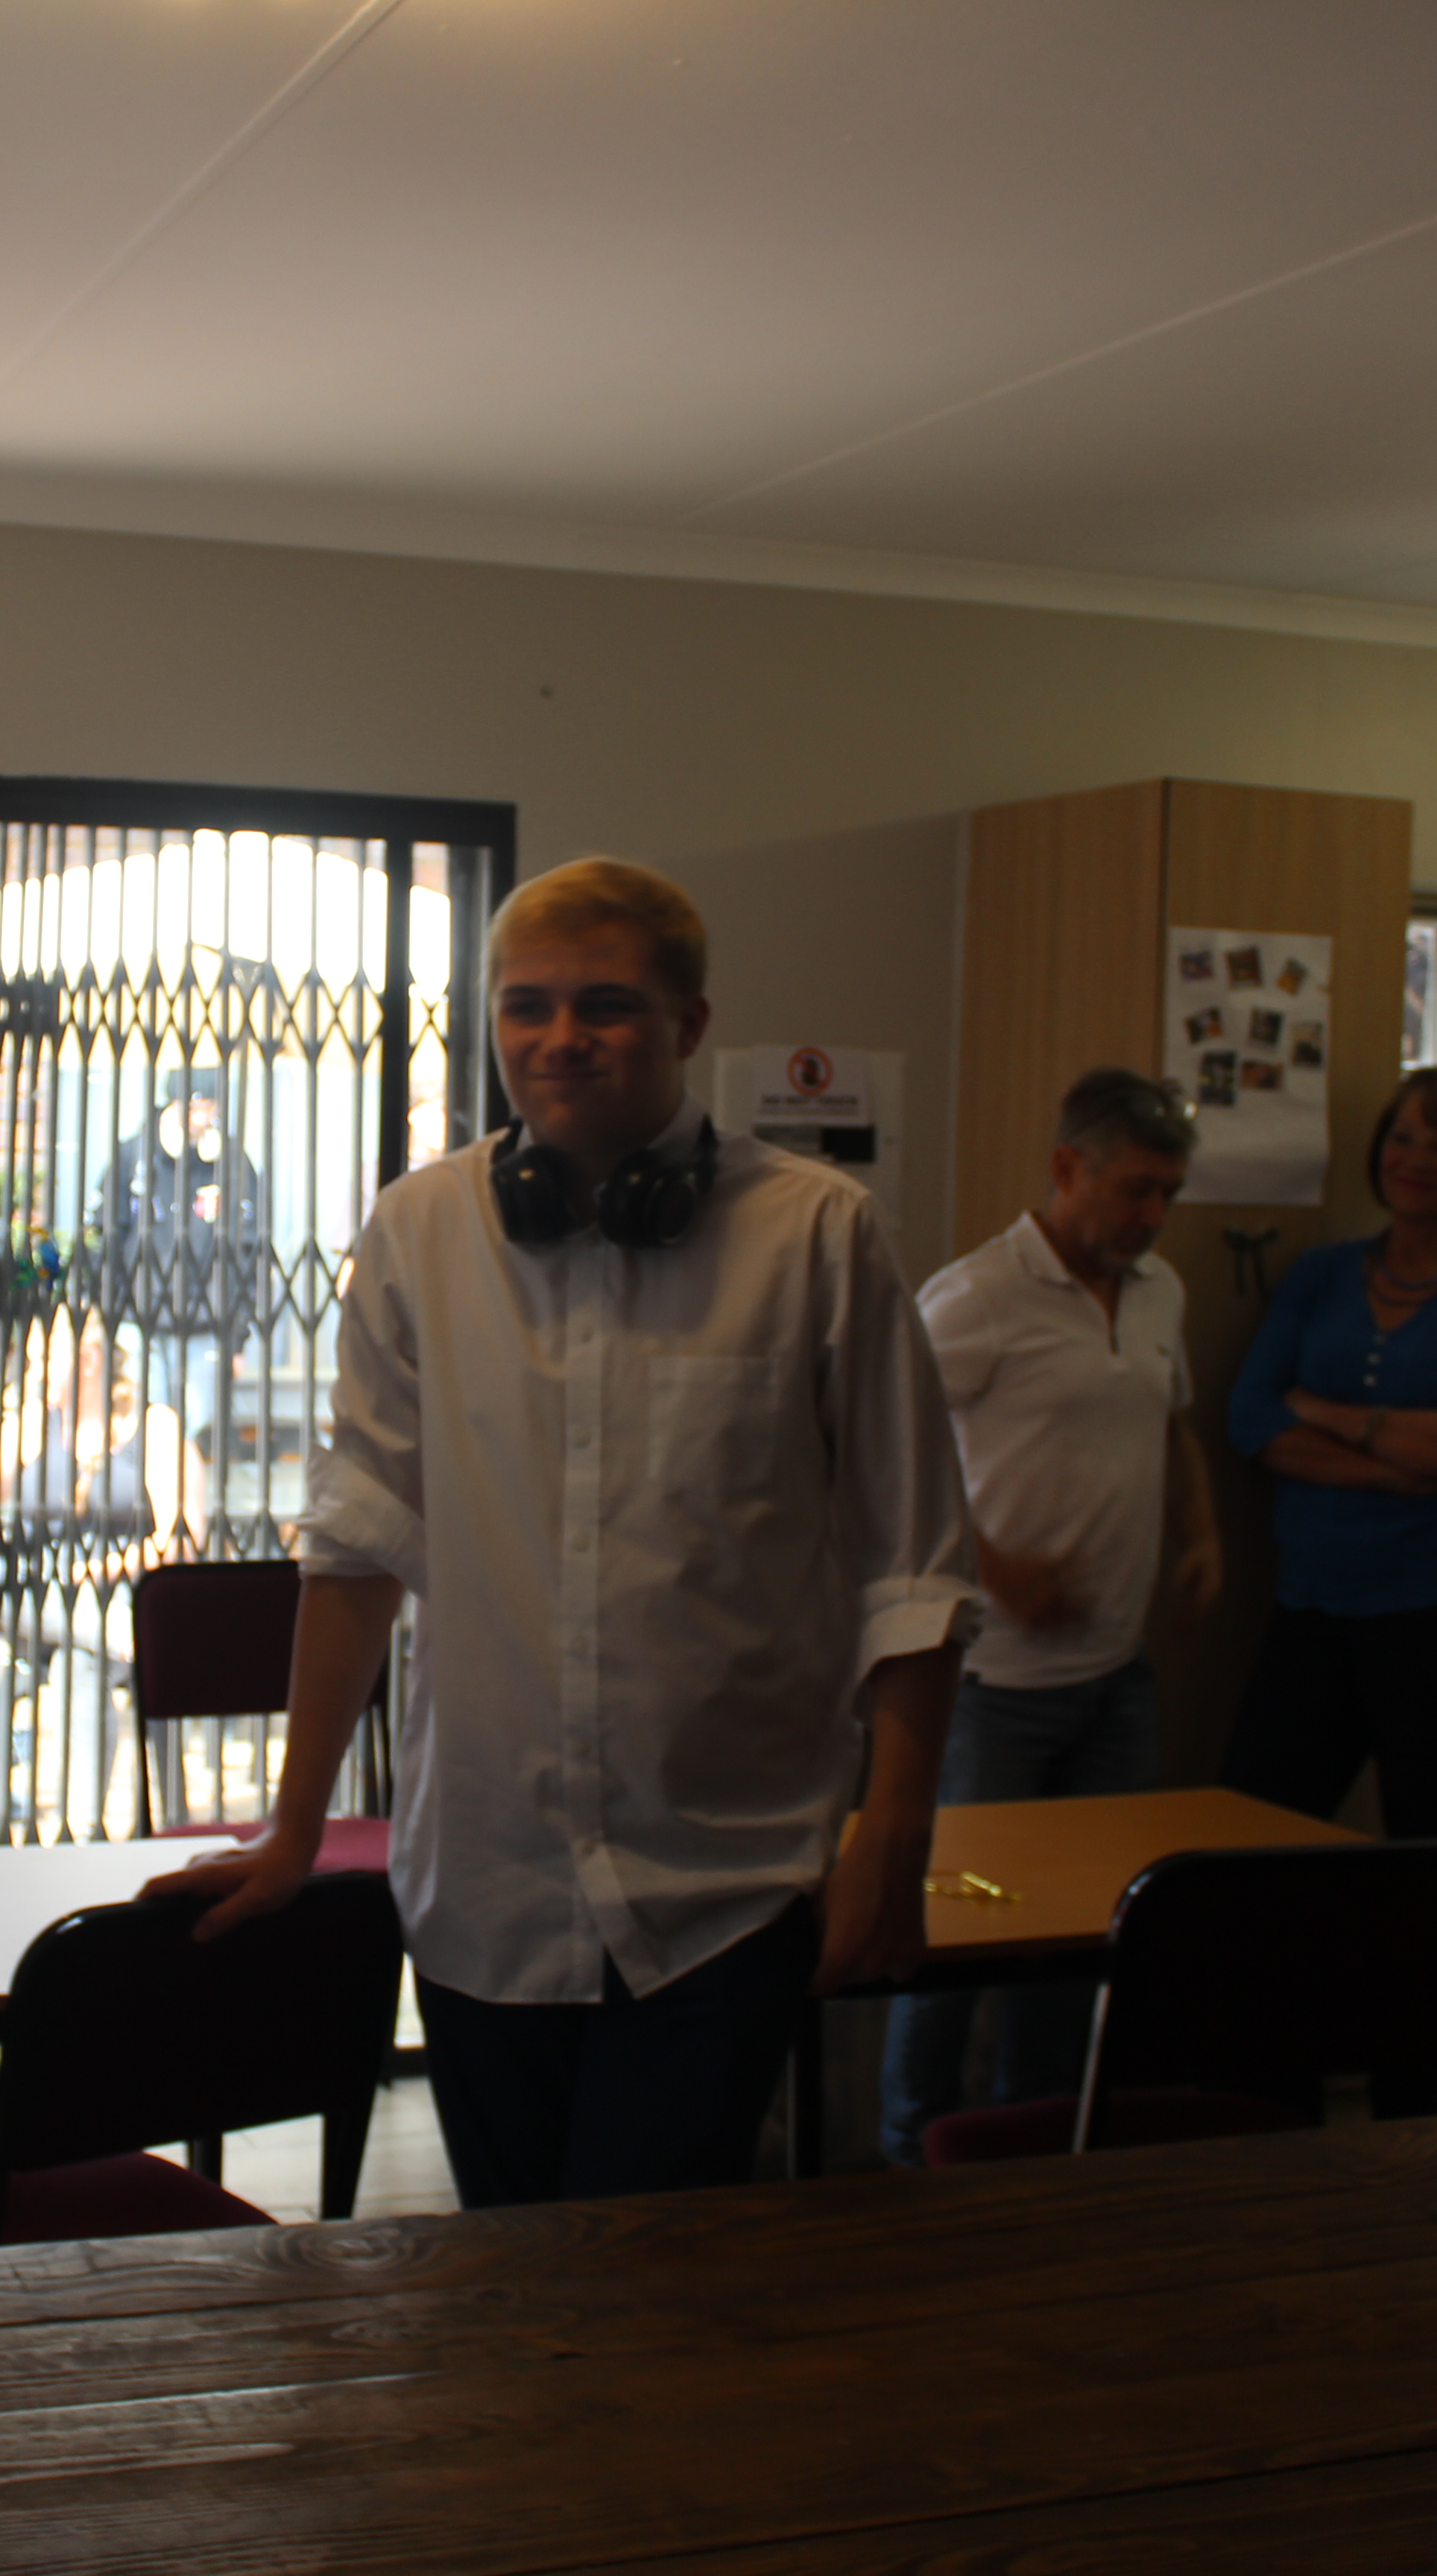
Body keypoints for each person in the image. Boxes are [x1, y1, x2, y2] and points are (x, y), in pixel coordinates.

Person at [150, 859, 976, 2209]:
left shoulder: (817, 1235)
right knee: (514, 2275)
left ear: (688, 1024)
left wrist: (893, 1834)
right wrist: (296, 1828)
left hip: (725, 1885)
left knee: (647, 2284)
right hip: (484, 1889)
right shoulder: (421, 1230)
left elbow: (915, 1565)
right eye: (524, 1006)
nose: (559, 1037)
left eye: (606, 1004)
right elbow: (356, 1545)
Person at [878, 1067, 1221, 2164]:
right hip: (989, 1688)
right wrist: (997, 1564)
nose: (1153, 1215)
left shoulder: (1159, 1291)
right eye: (1135, 1189)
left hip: (1117, 1680)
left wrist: (1202, 1535)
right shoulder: (975, 1297)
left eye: (1169, 1193)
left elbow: (1171, 1426)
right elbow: (888, 1458)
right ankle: (909, 2156)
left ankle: (1036, 2144)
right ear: (1069, 1168)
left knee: (1087, 1936)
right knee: (948, 1938)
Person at [1222, 1067, 1437, 1848]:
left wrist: (1326, 1411)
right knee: (1244, 1839)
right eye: (1403, 1138)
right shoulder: (1321, 1275)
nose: (1416, 1160)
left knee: (1431, 1857)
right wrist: (1399, 1467)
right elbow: (1252, 1419)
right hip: (1315, 1608)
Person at [95, 1071, 273, 1471]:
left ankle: (181, 1501)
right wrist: (108, 1313)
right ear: (172, 1104)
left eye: (209, 1107)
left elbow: (250, 1251)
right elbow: (105, 1238)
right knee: (145, 1420)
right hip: (138, 1319)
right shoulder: (133, 1156)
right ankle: (146, 1501)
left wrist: (238, 1337)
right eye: (193, 1107)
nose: (201, 1117)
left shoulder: (233, 1162)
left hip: (206, 1324)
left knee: (192, 1426)